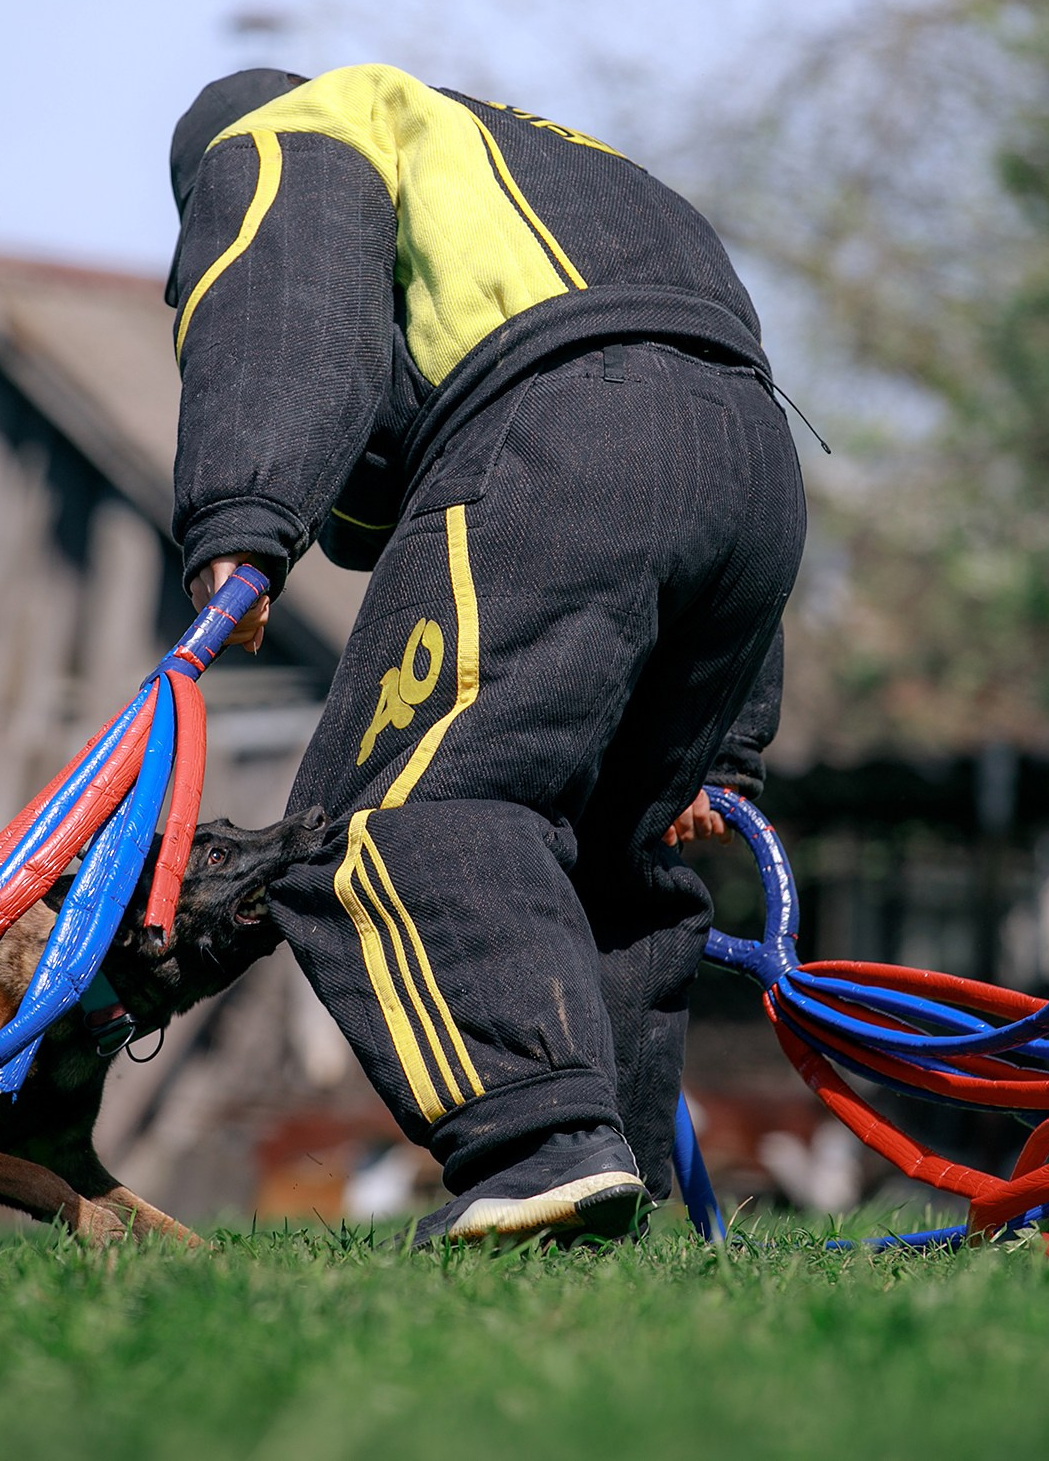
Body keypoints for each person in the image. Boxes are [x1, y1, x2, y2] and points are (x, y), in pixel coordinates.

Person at [166, 63, 805, 1245]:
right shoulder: (572, 169)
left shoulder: (296, 127)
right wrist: (728, 747)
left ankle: (536, 1147)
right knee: (616, 849)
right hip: (757, 468)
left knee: (393, 814)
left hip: (566, 432)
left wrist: (242, 518)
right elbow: (699, 399)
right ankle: (605, 1195)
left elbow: (287, 302)